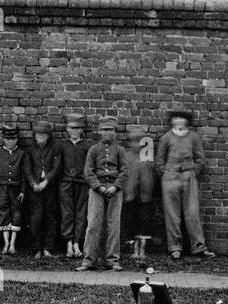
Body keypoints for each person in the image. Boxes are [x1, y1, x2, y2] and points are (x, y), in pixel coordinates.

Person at [156, 109, 213, 260]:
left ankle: (198, 246)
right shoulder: (166, 138)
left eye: (182, 119)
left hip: (189, 176)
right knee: (172, 214)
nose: (179, 121)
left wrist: (193, 172)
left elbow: (200, 158)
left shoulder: (193, 137)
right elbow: (159, 161)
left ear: (187, 121)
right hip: (170, 177)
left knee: (192, 212)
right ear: (172, 121)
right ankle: (175, 247)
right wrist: (166, 174)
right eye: (176, 119)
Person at [78, 116, 130, 271]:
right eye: (105, 130)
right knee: (93, 223)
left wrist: (115, 186)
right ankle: (88, 260)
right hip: (97, 190)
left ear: (115, 132)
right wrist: (99, 187)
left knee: (113, 225)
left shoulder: (119, 150)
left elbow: (125, 171)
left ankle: (112, 260)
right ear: (100, 131)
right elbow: (88, 172)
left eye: (111, 130)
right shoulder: (94, 150)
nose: (108, 133)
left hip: (115, 190)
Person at [22, 120, 62, 259]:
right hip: (35, 189)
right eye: (38, 133)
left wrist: (46, 181)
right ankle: (36, 248)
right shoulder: (30, 149)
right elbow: (27, 169)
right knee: (35, 218)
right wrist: (33, 183)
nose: (41, 136)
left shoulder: (55, 148)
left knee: (50, 218)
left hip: (49, 187)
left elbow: (56, 167)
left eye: (44, 134)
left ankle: (48, 248)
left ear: (48, 135)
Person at [122, 122, 160, 254]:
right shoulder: (126, 157)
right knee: (129, 220)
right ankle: (131, 246)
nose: (137, 144)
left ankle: (143, 247)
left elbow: (153, 175)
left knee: (145, 220)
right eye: (134, 141)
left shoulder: (148, 157)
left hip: (146, 196)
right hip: (130, 196)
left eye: (139, 141)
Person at [57, 113, 90, 259]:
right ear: (67, 129)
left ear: (82, 130)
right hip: (66, 183)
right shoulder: (62, 145)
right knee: (67, 213)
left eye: (78, 128)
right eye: (72, 128)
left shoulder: (87, 146)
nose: (75, 131)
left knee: (81, 213)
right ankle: (68, 242)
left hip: (82, 184)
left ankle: (78, 242)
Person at [0, 125, 25, 255]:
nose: (10, 142)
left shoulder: (22, 154)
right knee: (3, 212)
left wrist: (22, 190)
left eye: (13, 139)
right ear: (3, 139)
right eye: (8, 139)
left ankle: (13, 244)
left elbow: (24, 174)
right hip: (2, 188)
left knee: (16, 213)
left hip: (16, 188)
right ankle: (6, 243)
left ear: (17, 139)